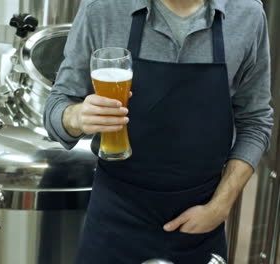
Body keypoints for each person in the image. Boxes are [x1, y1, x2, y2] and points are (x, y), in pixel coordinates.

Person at [43, 0, 274, 263]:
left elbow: (255, 120)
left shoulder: (247, 14)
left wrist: (220, 205)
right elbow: (56, 106)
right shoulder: (102, 8)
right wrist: (76, 117)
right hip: (115, 220)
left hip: (201, 221)